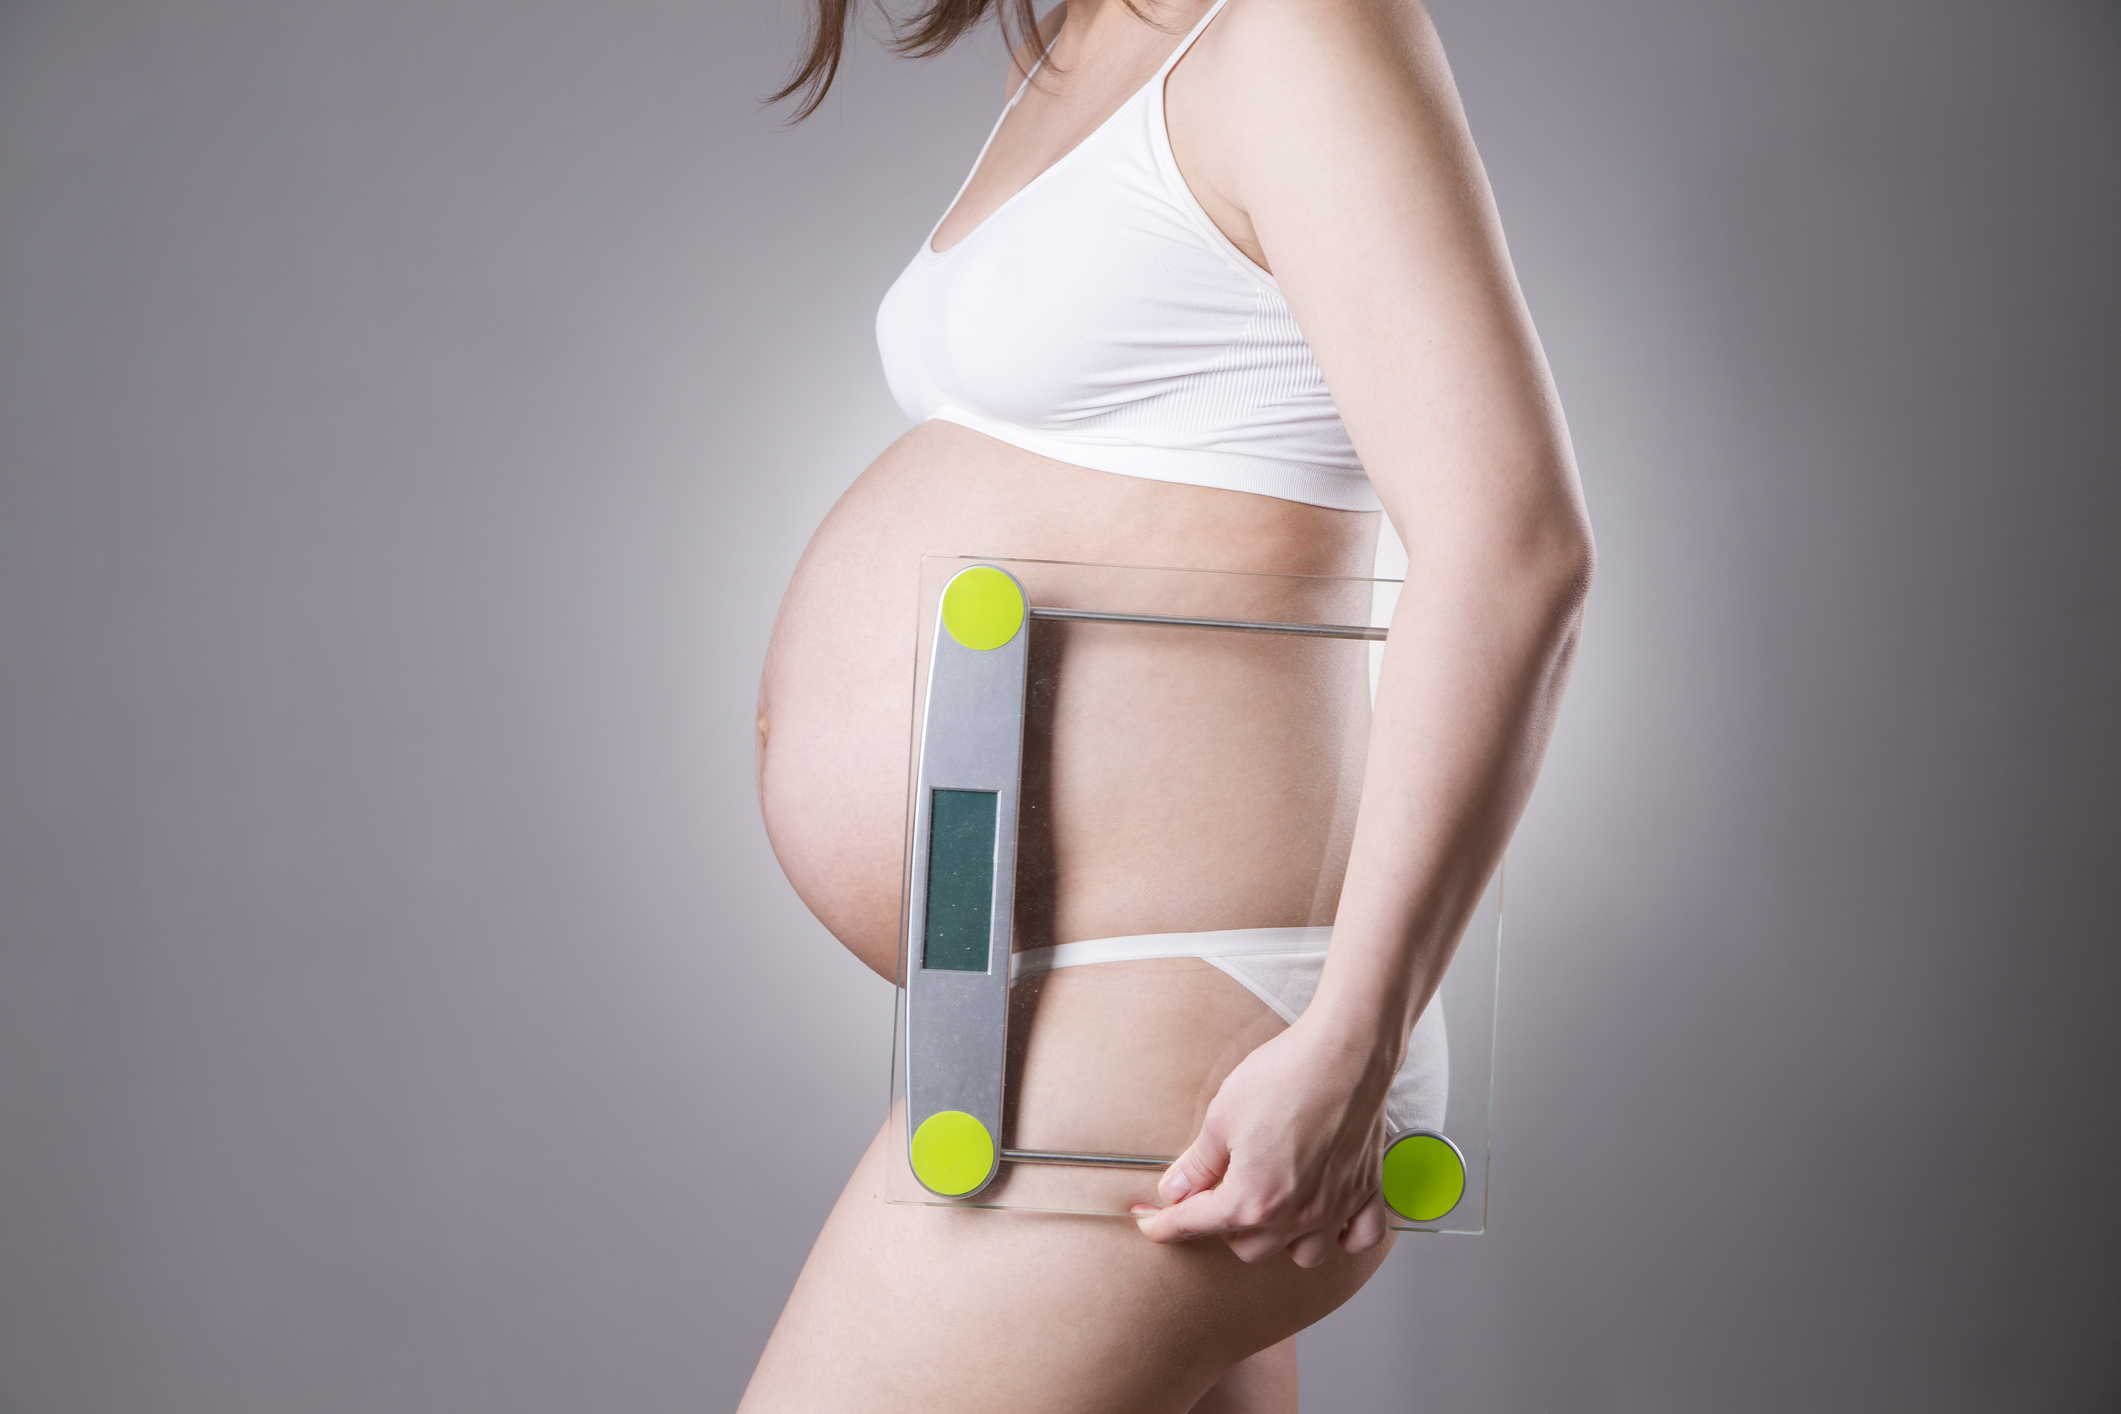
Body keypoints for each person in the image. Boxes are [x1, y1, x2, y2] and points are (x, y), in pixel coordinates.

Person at [745, 0, 1592, 1406]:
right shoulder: (1091, 42)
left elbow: (1515, 548)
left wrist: (1351, 1033)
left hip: (1194, 1023)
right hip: (1065, 1012)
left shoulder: (1301, 27)